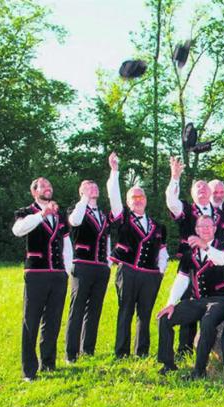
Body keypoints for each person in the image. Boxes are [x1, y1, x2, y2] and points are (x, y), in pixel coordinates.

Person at [156, 215, 224, 379]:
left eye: (209, 226)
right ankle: (168, 364)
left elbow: (222, 260)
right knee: (165, 318)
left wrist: (205, 247)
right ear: (196, 230)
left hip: (222, 299)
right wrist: (170, 303)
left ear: (214, 229)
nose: (205, 229)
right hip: (198, 301)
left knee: (207, 322)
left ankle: (199, 371)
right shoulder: (188, 253)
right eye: (201, 227)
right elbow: (182, 279)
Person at [107, 152, 168, 358]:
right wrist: (114, 172)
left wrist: (160, 272)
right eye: (134, 197)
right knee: (125, 311)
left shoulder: (158, 225)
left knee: (145, 313)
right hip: (128, 271)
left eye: (141, 197)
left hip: (150, 275)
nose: (138, 200)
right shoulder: (122, 217)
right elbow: (113, 196)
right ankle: (121, 352)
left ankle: (141, 351)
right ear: (128, 200)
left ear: (146, 200)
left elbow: (163, 252)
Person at [167, 157, 224, 355]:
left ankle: (210, 347)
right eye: (198, 188)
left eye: (205, 187)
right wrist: (175, 177)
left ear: (210, 192)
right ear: (192, 194)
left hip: (216, 265)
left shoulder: (221, 214)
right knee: (188, 301)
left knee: (214, 305)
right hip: (191, 264)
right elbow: (171, 201)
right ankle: (185, 349)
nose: (202, 189)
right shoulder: (186, 209)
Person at [12, 177, 72, 381]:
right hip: (36, 273)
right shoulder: (26, 212)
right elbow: (17, 231)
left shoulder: (60, 214)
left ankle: (48, 363)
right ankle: (29, 370)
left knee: (53, 320)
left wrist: (68, 270)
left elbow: (66, 242)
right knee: (31, 320)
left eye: (50, 185)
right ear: (34, 192)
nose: (48, 188)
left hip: (58, 274)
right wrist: (41, 215)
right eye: (43, 186)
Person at [65, 178, 112, 363]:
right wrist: (83, 200)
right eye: (88, 187)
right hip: (82, 265)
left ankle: (88, 350)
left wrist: (107, 263)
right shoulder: (75, 210)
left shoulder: (103, 214)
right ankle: (71, 354)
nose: (93, 188)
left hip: (101, 267)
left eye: (95, 186)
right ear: (81, 192)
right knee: (77, 310)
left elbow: (107, 239)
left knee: (94, 310)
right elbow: (75, 222)